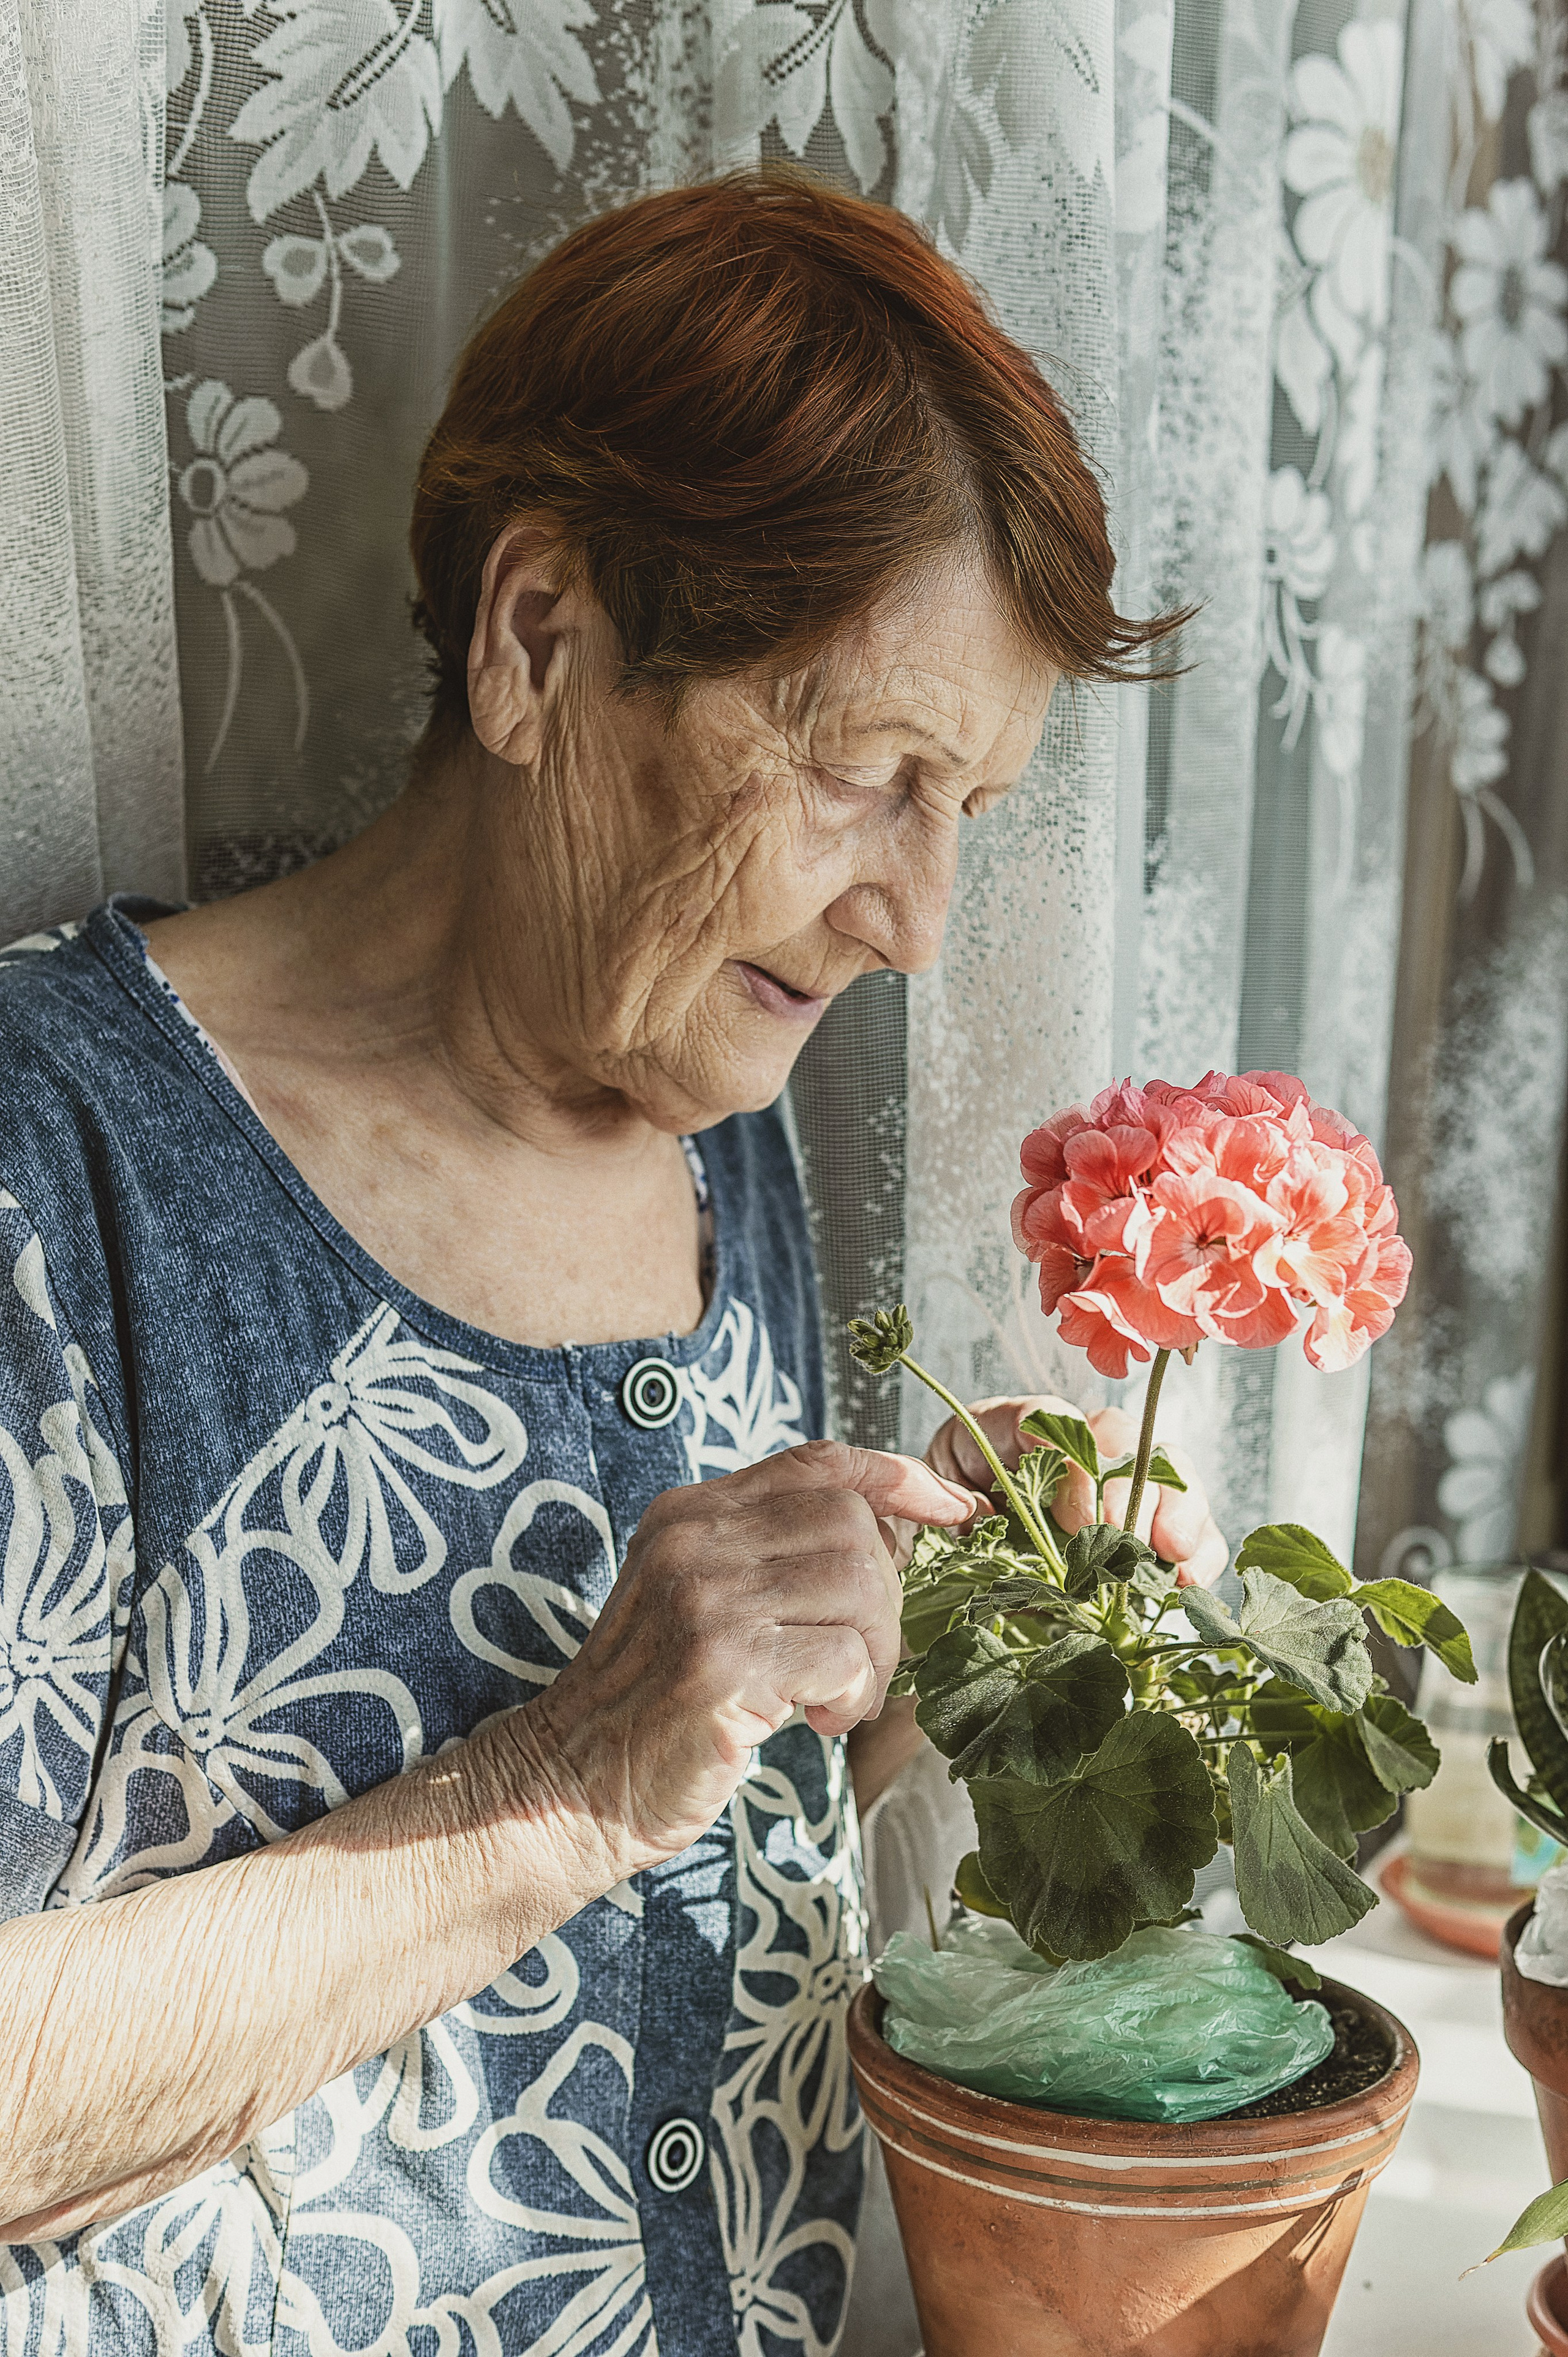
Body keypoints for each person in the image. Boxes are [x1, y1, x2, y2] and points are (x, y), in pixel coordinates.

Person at [0, 171, 1224, 2356]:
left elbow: (688, 1867)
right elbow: (581, 1794)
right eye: (862, 771)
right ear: (537, 639)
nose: (913, 920)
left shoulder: (714, 1100)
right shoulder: (54, 1160)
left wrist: (946, 1659)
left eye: (975, 804)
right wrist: (550, 1780)